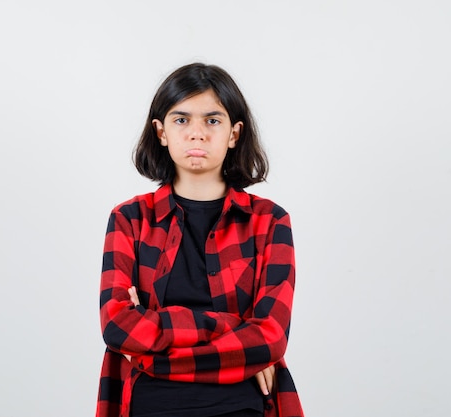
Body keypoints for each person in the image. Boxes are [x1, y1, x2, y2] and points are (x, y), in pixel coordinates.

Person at [96, 63, 303, 417]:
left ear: (234, 133)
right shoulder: (129, 219)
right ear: (160, 132)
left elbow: (270, 337)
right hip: (149, 404)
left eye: (212, 120)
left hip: (240, 406)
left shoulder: (269, 221)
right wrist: (233, 327)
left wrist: (152, 342)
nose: (197, 133)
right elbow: (117, 326)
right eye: (181, 120)